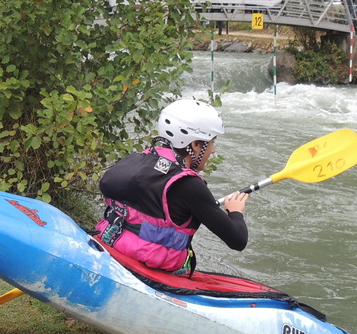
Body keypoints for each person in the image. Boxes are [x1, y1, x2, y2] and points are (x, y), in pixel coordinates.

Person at [95, 99, 248, 275]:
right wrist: (235, 212)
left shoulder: (135, 160)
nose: (213, 150)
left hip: (111, 244)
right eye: (211, 143)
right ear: (195, 145)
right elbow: (238, 241)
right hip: (150, 270)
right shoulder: (189, 185)